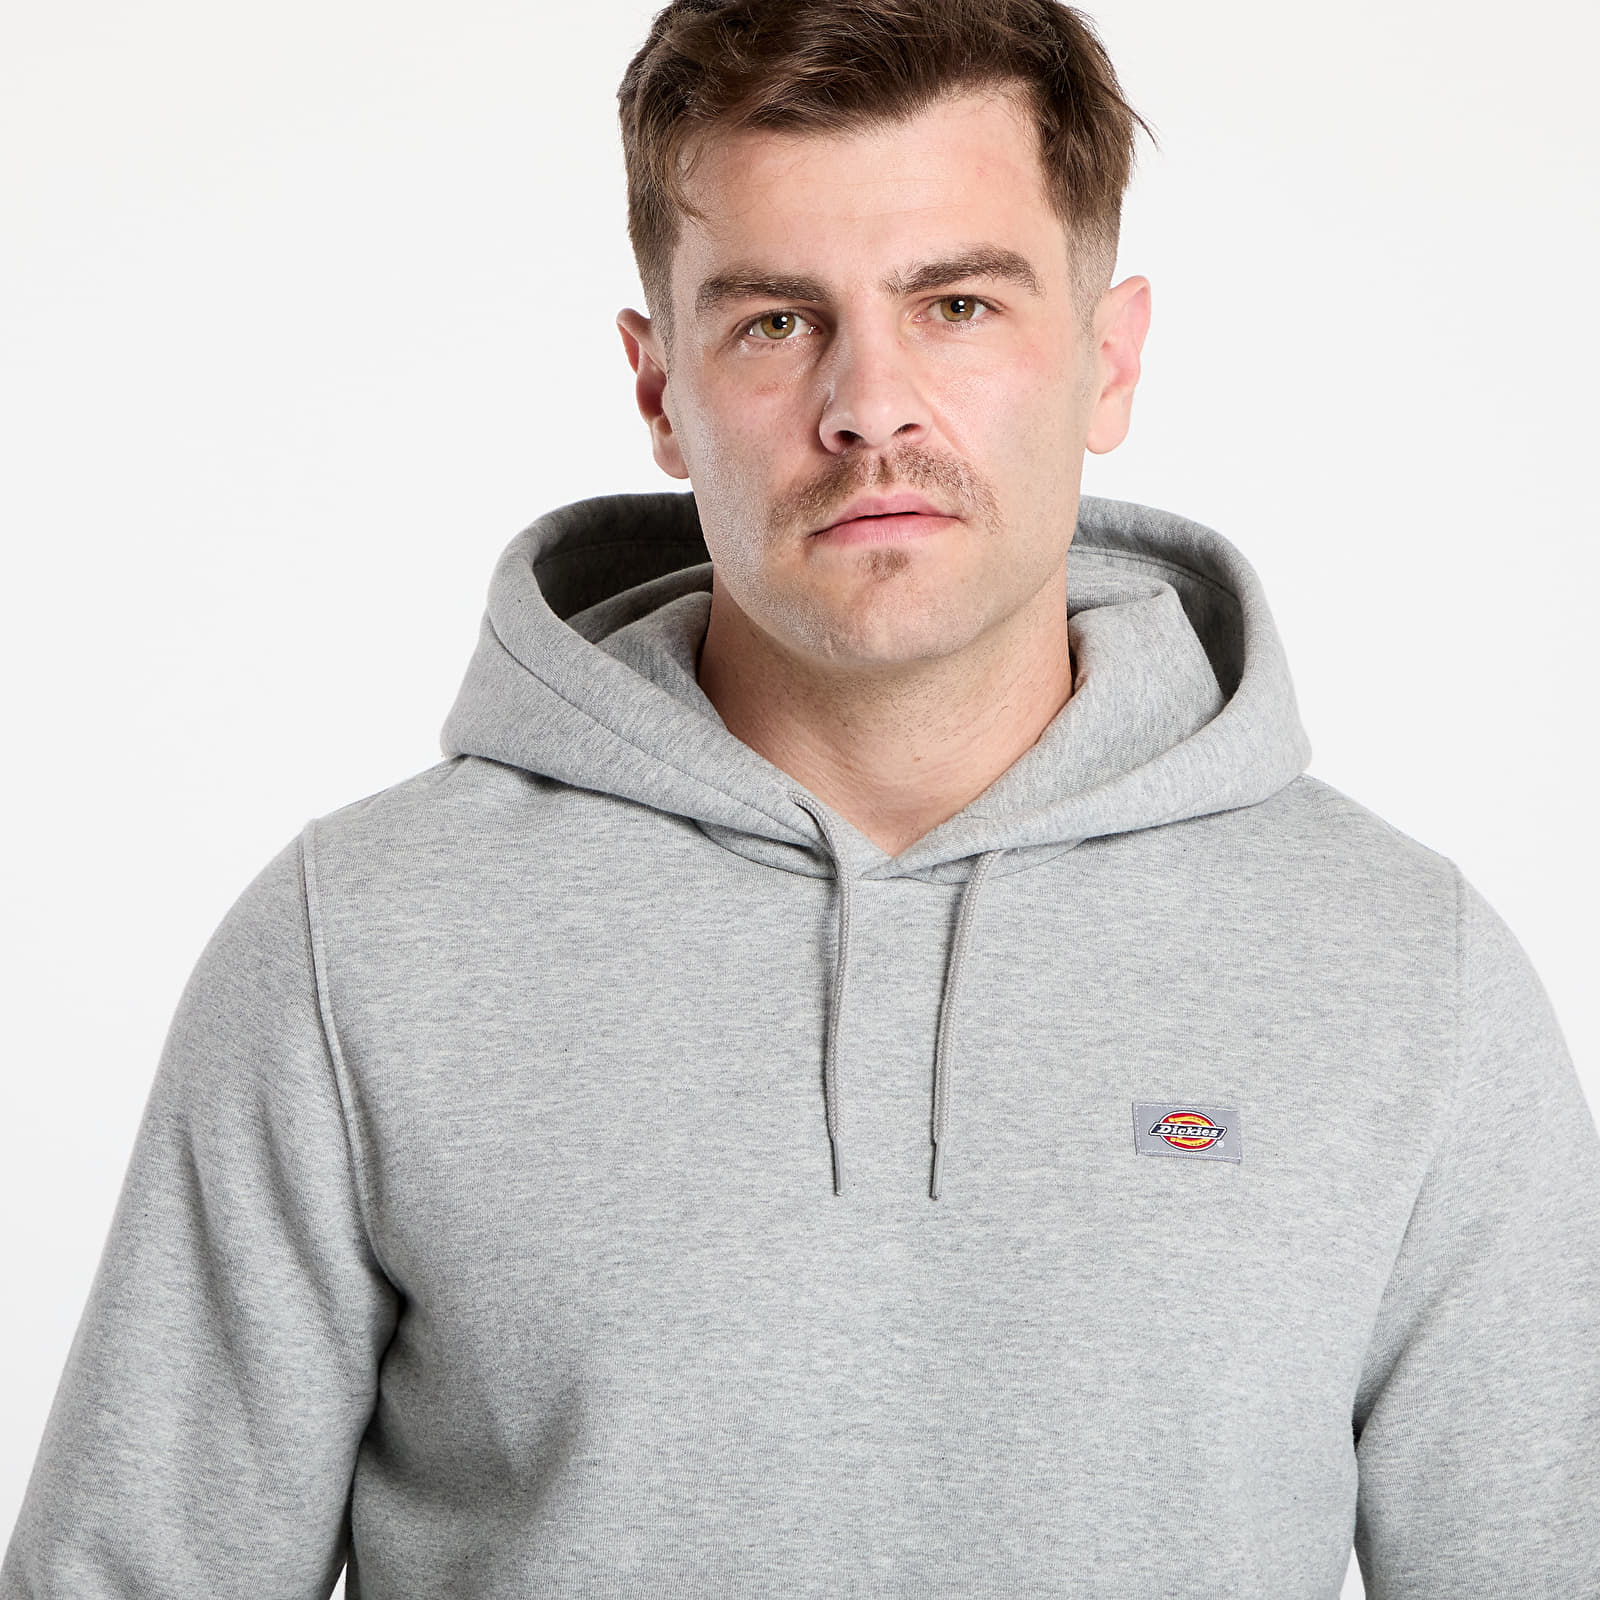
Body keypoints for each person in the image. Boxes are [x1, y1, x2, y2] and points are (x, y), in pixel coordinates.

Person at [5, 0, 1597, 1594]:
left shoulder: (1409, 972)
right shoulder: (353, 948)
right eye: (776, 322)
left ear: (1109, 360)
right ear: (658, 389)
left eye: (957, 305)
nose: (870, 405)